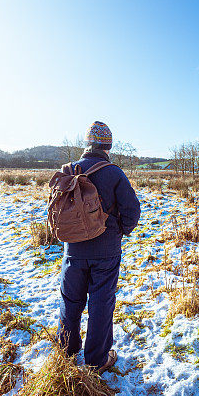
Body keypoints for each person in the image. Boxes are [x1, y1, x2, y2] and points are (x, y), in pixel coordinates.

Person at [57, 121, 141, 373]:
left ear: (86, 144)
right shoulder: (114, 173)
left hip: (73, 250)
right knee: (101, 303)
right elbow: (132, 211)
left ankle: (66, 351)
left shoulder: (69, 170)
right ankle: (96, 359)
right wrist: (119, 232)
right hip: (106, 251)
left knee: (70, 301)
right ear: (108, 146)